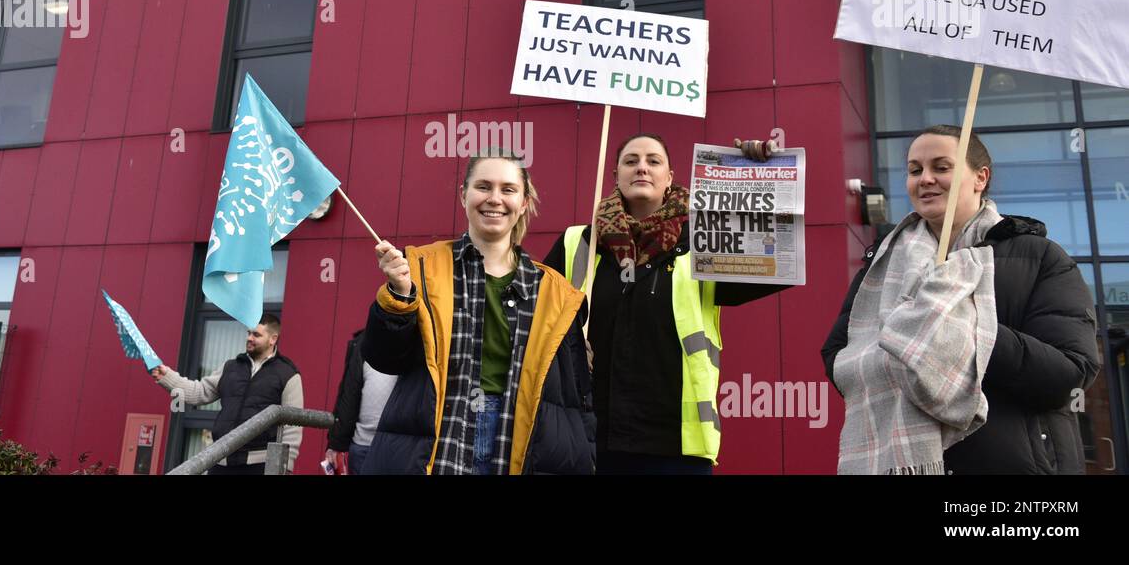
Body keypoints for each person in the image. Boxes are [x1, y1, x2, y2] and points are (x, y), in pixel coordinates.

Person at [821, 125, 1100, 474]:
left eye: (941, 167)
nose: (925, 179)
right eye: (914, 170)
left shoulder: (1039, 257)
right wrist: (907, 357)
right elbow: (840, 355)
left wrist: (958, 332)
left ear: (980, 178)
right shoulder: (881, 265)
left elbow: (1069, 373)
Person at [543, 133, 785, 475]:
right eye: (631, 161)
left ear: (669, 177)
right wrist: (567, 347)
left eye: (653, 161)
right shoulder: (578, 242)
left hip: (676, 447)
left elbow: (778, 259)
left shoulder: (705, 243)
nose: (642, 167)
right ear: (615, 176)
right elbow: (536, 322)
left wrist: (761, 174)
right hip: (588, 437)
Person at [361, 151, 594, 474]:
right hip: (439, 438)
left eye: (508, 189)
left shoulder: (556, 292)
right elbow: (385, 358)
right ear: (463, 194)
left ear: (524, 202)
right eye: (483, 187)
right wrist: (399, 296)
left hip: (521, 439)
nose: (494, 199)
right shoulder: (419, 267)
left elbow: (576, 398)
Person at [153, 314, 304, 474]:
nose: (250, 338)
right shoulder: (230, 367)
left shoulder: (288, 374)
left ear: (273, 339)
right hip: (220, 461)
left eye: (256, 334)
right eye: (249, 333)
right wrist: (167, 376)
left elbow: (293, 425)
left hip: (260, 466)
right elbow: (198, 393)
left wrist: (286, 467)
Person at [324, 329, 398, 475]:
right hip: (361, 446)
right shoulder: (363, 342)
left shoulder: (417, 339)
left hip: (396, 449)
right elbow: (348, 395)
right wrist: (335, 445)